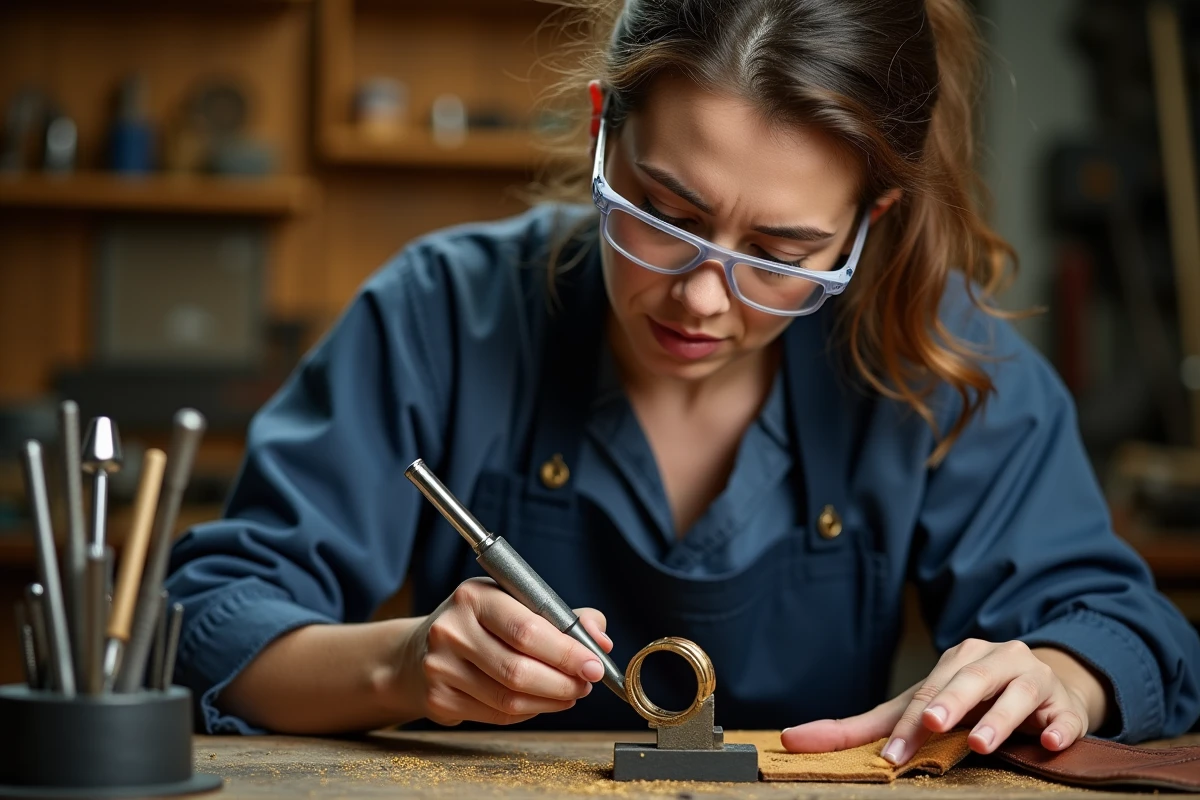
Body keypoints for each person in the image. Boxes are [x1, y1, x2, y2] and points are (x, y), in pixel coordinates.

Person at [165, 0, 1200, 764]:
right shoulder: (441, 310)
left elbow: (1123, 629)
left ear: (868, 223)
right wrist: (402, 667)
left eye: (782, 251)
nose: (704, 297)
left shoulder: (935, 352)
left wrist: (1057, 673)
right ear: (601, 129)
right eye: (664, 216)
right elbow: (213, 618)